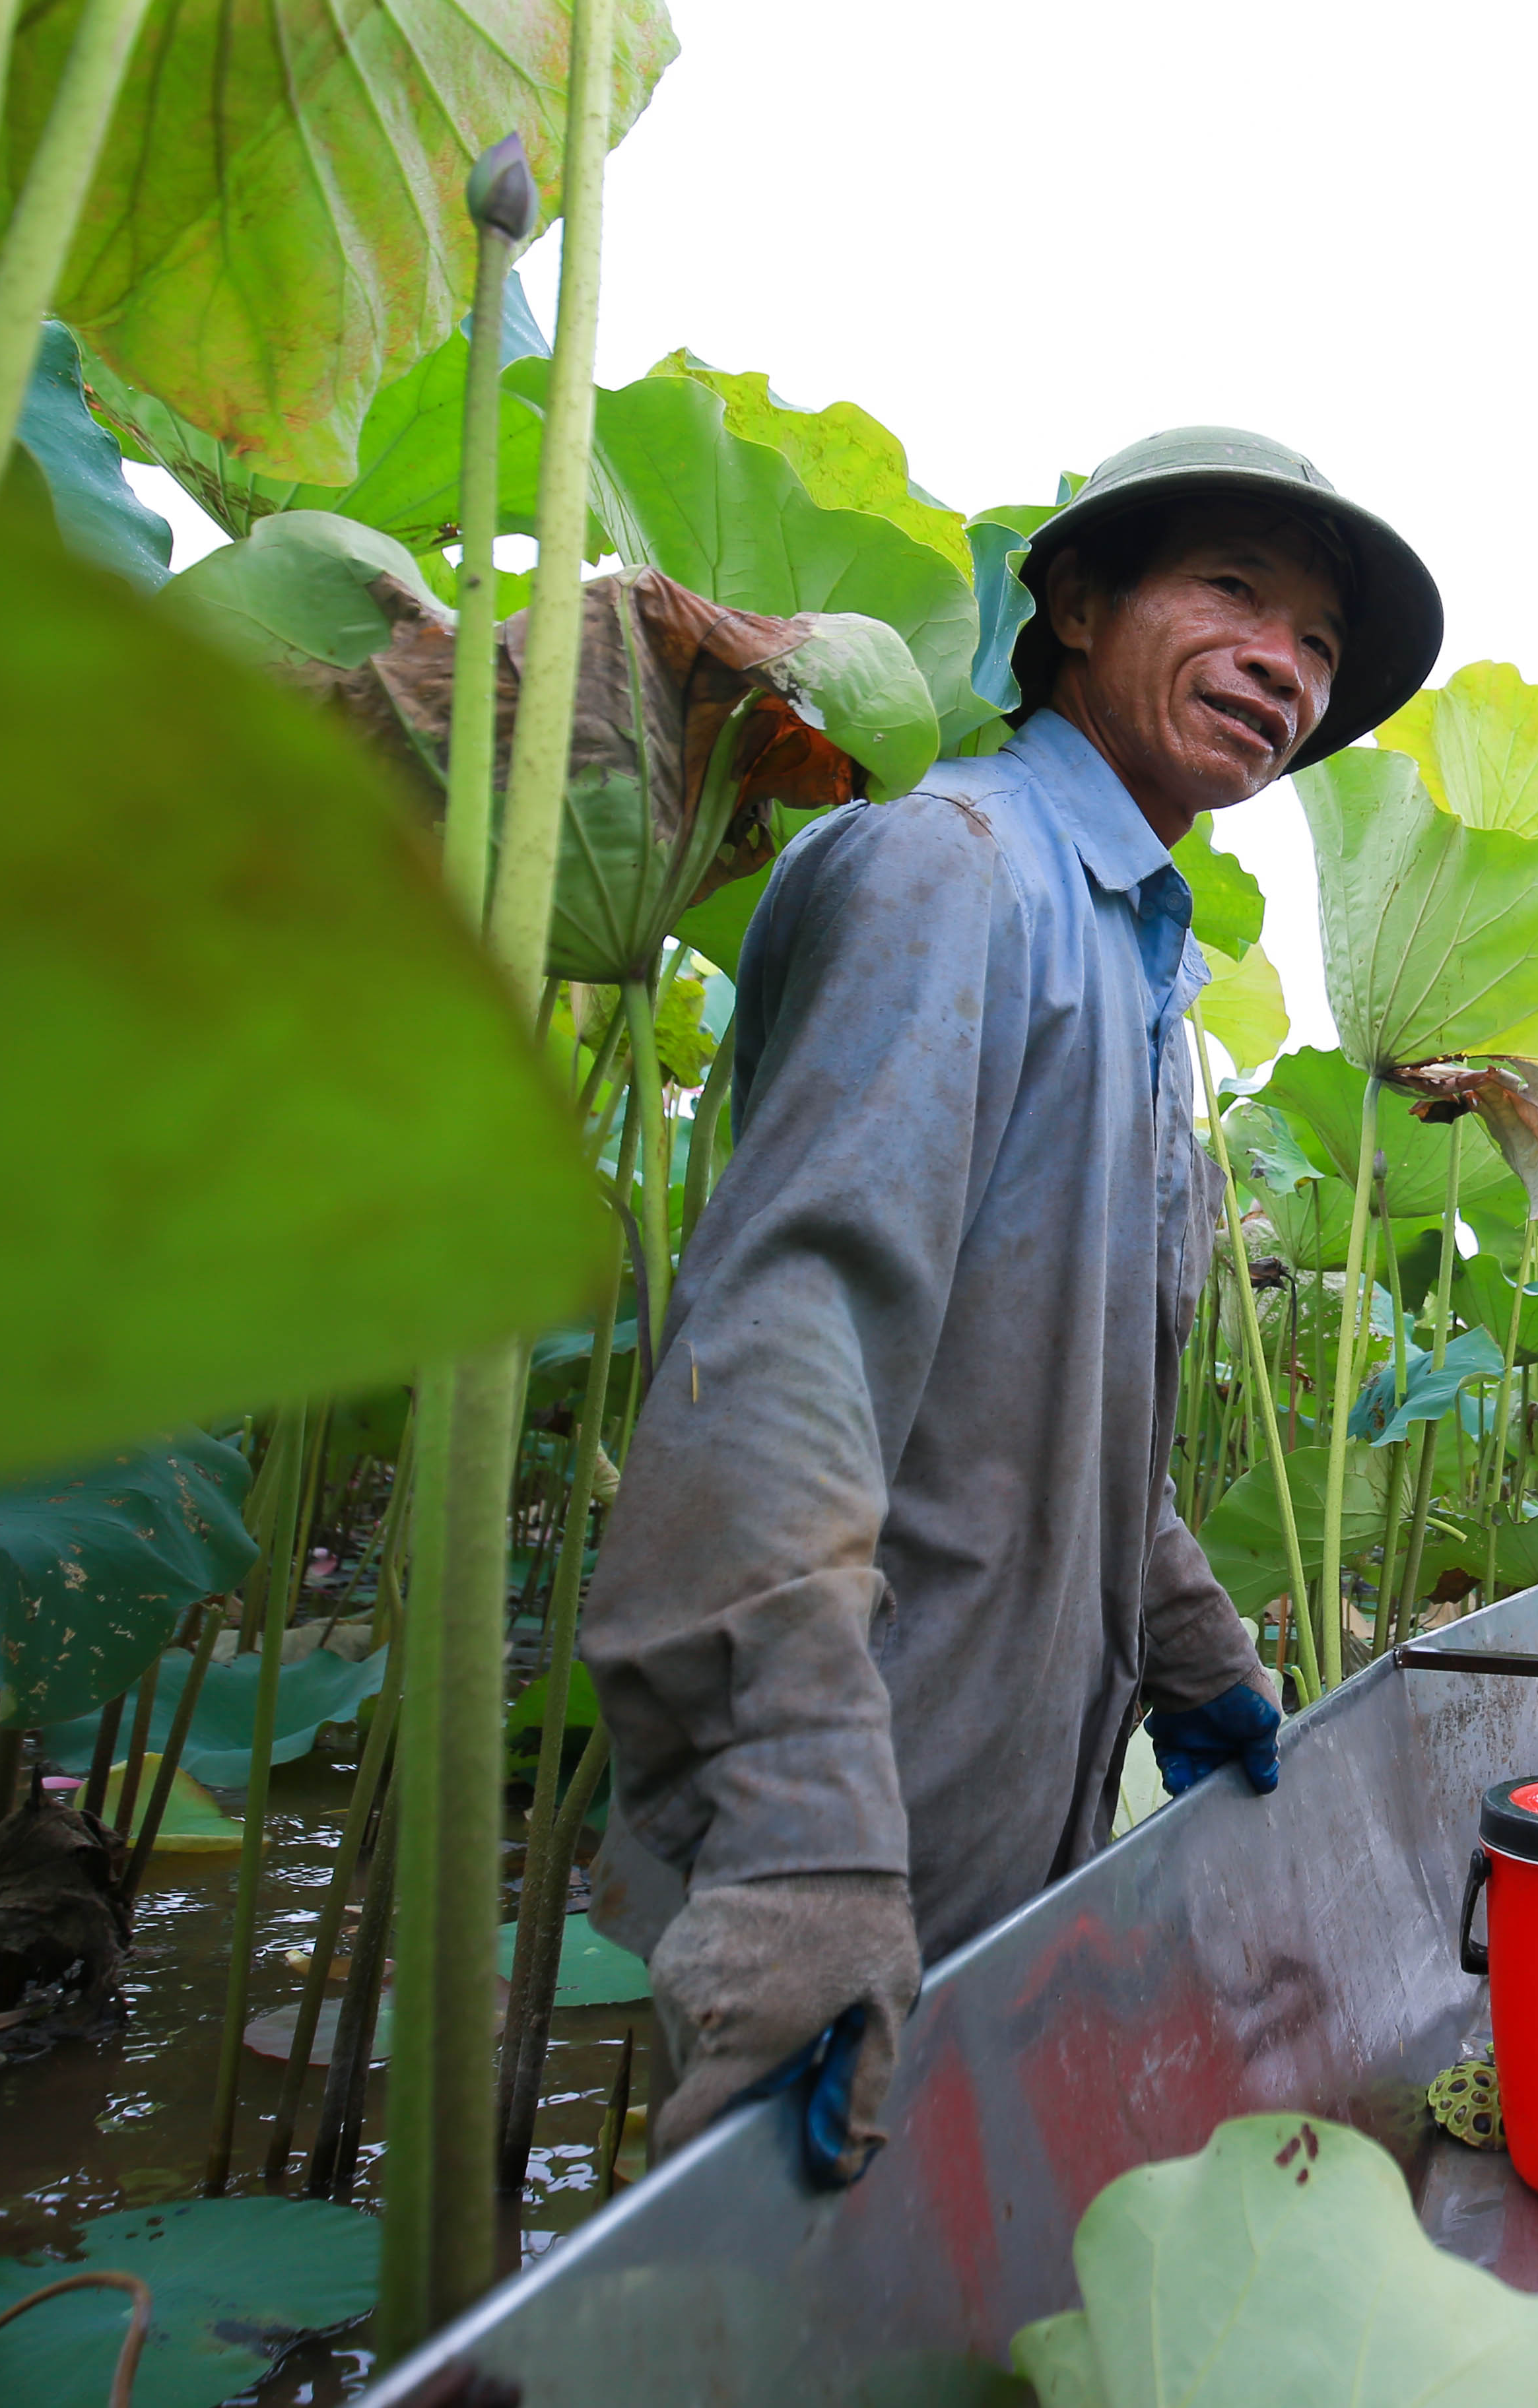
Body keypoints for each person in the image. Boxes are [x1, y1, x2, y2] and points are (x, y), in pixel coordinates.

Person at [578, 428, 1445, 2164]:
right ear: (1067, 603)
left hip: (1010, 1789)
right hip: (851, 1806)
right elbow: (788, 1344)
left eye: (1322, 649)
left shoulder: (1138, 965)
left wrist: (1196, 1653)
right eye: (1235, 594)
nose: (1286, 662)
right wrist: (807, 1852)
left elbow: (1072, 1394)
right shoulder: (953, 872)